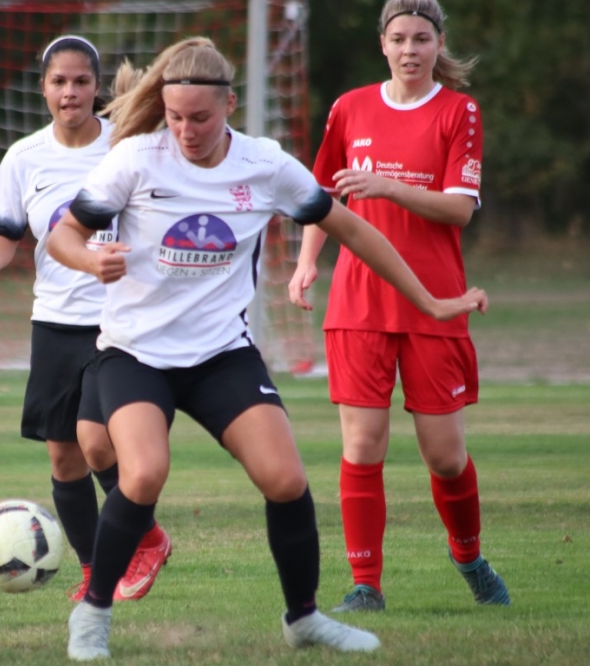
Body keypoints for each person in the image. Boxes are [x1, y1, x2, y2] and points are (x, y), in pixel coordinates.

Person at [46, 36, 489, 660]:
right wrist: (91, 261)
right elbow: (63, 235)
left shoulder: (265, 164)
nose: (186, 132)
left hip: (222, 355)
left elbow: (354, 229)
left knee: (285, 479)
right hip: (136, 354)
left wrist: (431, 302)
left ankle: (303, 618)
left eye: (200, 118)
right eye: (175, 118)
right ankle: (92, 617)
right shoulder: (135, 160)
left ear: (230, 105)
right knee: (142, 473)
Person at [288, 0, 509, 613]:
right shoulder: (349, 107)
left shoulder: (459, 111)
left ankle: (469, 557)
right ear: (382, 44)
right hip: (358, 301)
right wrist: (307, 262)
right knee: (362, 446)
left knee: (445, 456)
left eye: (421, 38)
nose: (410, 50)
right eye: (399, 38)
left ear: (439, 44)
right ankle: (366, 585)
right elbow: (321, 196)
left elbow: (459, 209)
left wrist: (387, 186)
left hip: (435, 298)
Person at [0, 35, 171, 603]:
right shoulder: (24, 157)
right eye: (59, 82)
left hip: (117, 321)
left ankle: (147, 537)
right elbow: (7, 233)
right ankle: (91, 571)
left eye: (81, 81)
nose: (70, 92)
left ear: (96, 86)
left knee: (98, 444)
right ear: (43, 89)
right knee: (64, 455)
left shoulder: (126, 145)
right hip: (54, 323)